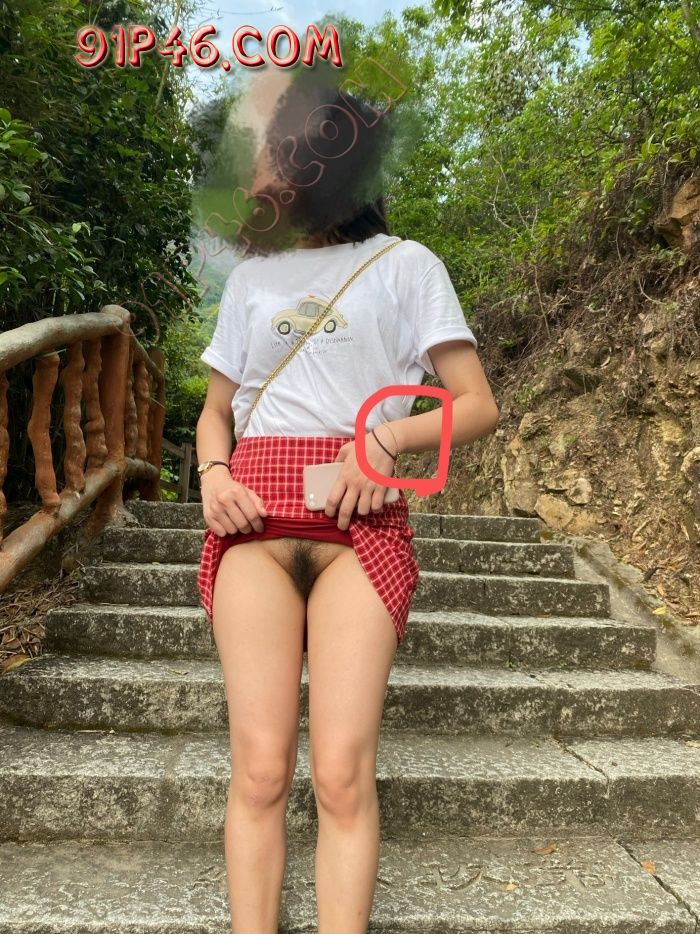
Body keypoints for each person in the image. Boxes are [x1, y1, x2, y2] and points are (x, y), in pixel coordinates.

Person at [195, 78, 500, 934]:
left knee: (339, 774)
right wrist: (213, 475)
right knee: (260, 770)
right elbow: (216, 411)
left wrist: (385, 442)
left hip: (360, 531)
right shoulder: (252, 280)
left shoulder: (406, 265)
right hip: (253, 526)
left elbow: (476, 403)